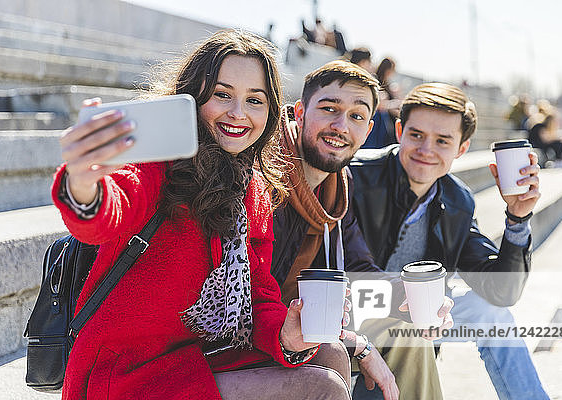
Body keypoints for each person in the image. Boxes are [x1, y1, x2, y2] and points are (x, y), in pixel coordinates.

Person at [52, 30, 350, 400]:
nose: (238, 114)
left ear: (271, 111)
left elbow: (258, 295)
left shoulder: (253, 188)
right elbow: (109, 210)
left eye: (255, 100)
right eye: (222, 95)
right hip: (130, 370)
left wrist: (287, 335)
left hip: (198, 356)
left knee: (331, 353)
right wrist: (83, 181)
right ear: (193, 98)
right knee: (321, 388)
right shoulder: (160, 162)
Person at [350, 82, 549, 399]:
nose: (426, 149)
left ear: (461, 148)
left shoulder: (457, 200)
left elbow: (501, 290)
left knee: (492, 314)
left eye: (442, 140)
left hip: (425, 317)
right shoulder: (356, 176)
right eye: (416, 135)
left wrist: (517, 218)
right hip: (361, 314)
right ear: (399, 130)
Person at [270, 60, 454, 400]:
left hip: (313, 321)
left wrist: (410, 297)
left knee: (406, 331)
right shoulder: (265, 179)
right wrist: (359, 344)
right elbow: (246, 304)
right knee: (340, 354)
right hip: (269, 332)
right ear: (299, 112)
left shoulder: (340, 184)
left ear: (368, 131)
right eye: (329, 109)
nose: (341, 125)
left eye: (356, 116)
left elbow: (359, 269)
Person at [362, 57, 400, 149]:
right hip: (378, 119)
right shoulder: (375, 80)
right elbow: (380, 104)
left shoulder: (388, 85)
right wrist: (394, 103)